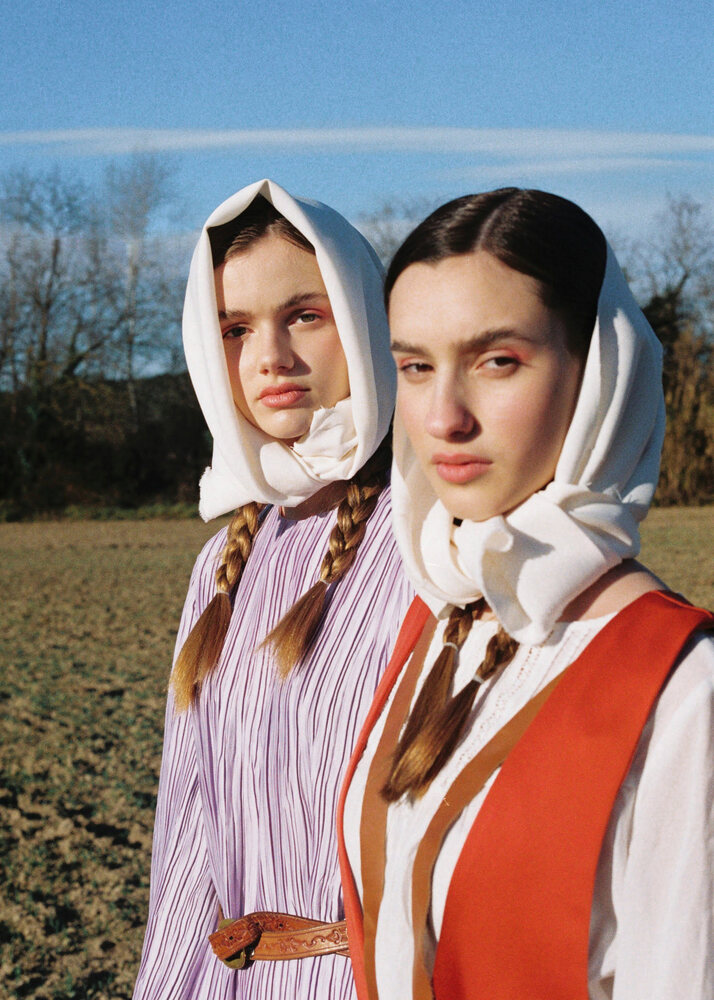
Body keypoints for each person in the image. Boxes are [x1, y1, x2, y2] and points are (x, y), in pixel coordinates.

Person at [336, 188, 714, 1000]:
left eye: (497, 360)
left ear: (599, 373)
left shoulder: (687, 691)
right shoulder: (434, 623)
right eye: (415, 366)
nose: (443, 417)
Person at [133, 179, 413, 1000]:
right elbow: (187, 844)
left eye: (305, 315)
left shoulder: (438, 539)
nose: (271, 356)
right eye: (235, 328)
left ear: (364, 322)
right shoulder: (223, 560)